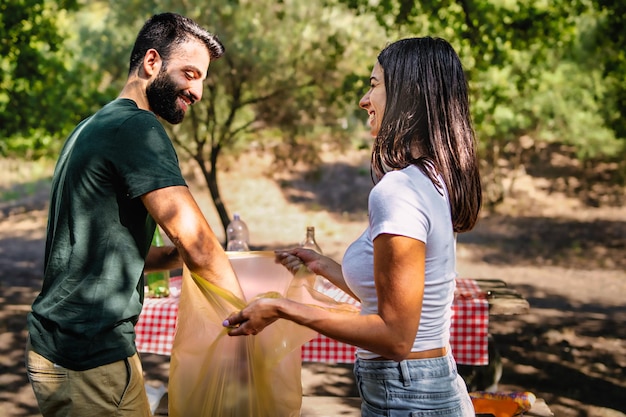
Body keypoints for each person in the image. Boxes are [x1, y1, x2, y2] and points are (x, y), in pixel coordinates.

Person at [224, 37, 481, 417]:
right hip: (422, 387)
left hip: (406, 395)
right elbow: (396, 296)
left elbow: (395, 338)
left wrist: (282, 308)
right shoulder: (432, 179)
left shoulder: (398, 190)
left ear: (407, 95)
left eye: (374, 85)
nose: (364, 100)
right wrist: (323, 266)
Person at [25, 13, 245, 417]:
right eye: (190, 74)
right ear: (151, 62)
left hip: (84, 350)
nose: (197, 92)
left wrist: (180, 256)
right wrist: (245, 316)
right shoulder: (136, 127)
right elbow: (195, 242)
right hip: (87, 357)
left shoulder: (93, 125)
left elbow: (113, 250)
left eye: (202, 81)